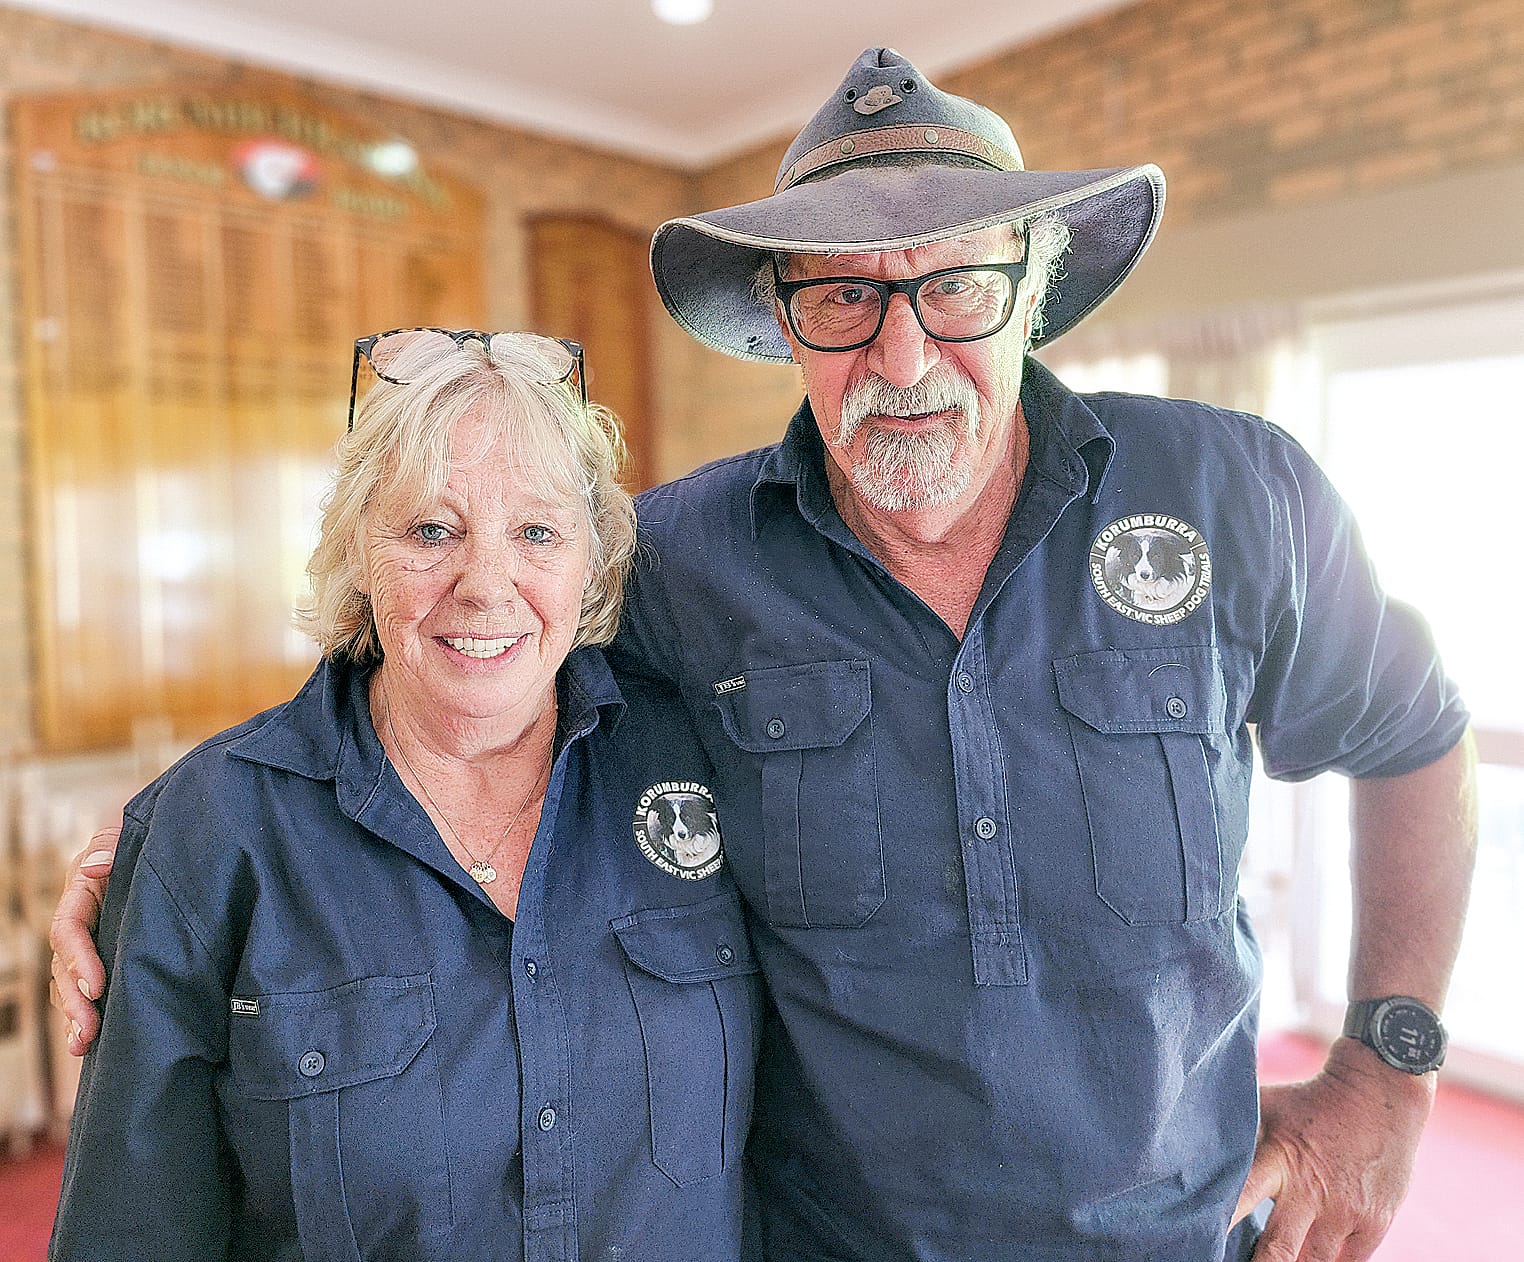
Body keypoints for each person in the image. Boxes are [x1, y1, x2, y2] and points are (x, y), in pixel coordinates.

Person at [53, 49, 1476, 1262]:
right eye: (842, 299)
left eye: (956, 288)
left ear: (1035, 284)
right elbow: (458, 633)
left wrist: (1390, 1061)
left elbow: (1414, 735)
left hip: (1183, 1234)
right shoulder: (679, 561)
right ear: (784, 318)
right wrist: (175, 851)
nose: (903, 357)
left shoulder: (1241, 494)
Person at [48, 330, 763, 1262]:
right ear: (358, 551)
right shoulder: (214, 831)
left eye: (537, 532)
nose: (486, 583)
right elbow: (131, 1228)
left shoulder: (703, 765)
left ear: (593, 558)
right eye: (433, 530)